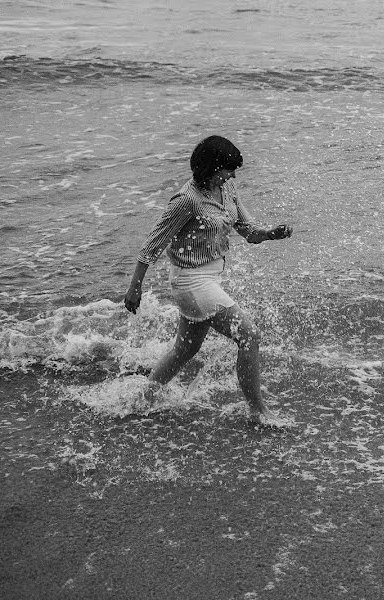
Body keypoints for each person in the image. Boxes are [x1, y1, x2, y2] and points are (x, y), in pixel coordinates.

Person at [123, 135, 292, 424]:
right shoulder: (186, 201)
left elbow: (248, 231)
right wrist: (134, 287)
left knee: (185, 349)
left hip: (209, 279)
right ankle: (257, 411)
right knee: (249, 335)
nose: (233, 175)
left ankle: (141, 402)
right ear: (211, 168)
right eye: (228, 169)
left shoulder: (227, 190)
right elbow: (152, 245)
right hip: (191, 281)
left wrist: (270, 233)